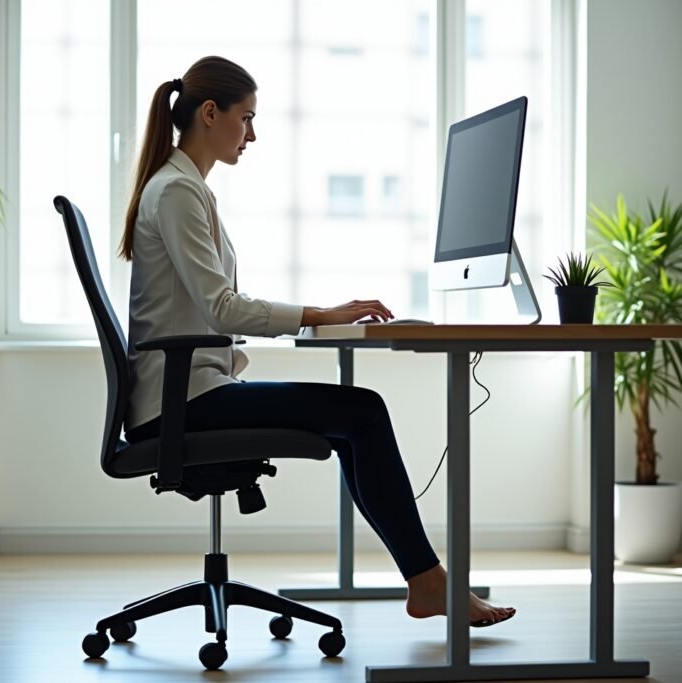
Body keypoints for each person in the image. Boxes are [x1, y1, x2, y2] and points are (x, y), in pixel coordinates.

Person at [119, 55, 514, 628]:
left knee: (354, 418)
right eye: (246, 118)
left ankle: (426, 581)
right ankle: (429, 582)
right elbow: (221, 307)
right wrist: (319, 314)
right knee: (362, 411)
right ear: (210, 113)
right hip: (182, 402)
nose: (252, 134)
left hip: (189, 392)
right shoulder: (178, 191)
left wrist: (318, 314)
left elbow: (215, 303)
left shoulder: (183, 187)